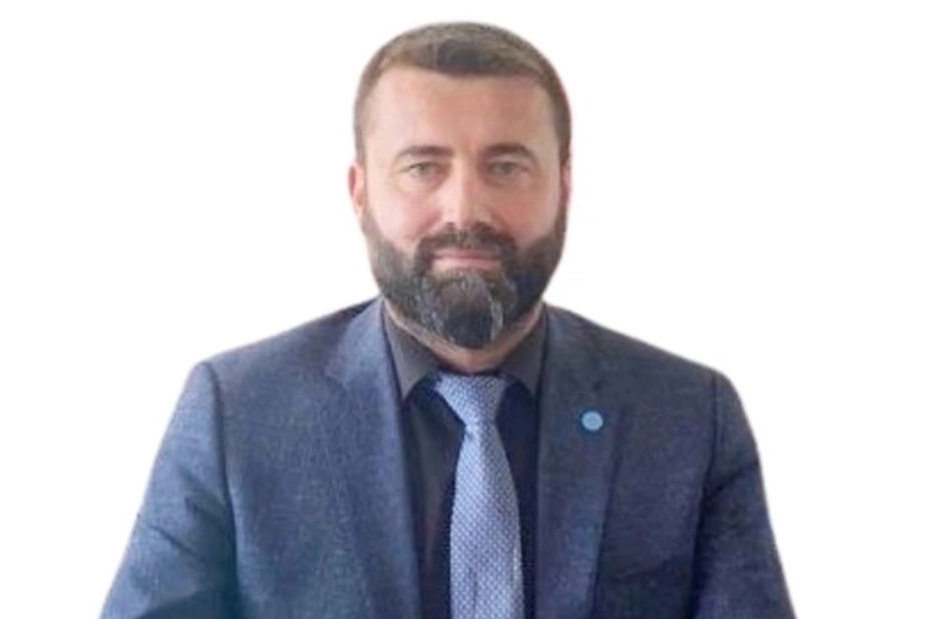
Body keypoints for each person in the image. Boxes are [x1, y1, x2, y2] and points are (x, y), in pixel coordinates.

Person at [101, 21, 794, 619]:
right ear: (360, 191)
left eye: (506, 166)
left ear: (564, 187)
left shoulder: (687, 418)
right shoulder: (239, 413)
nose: (465, 210)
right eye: (422, 167)